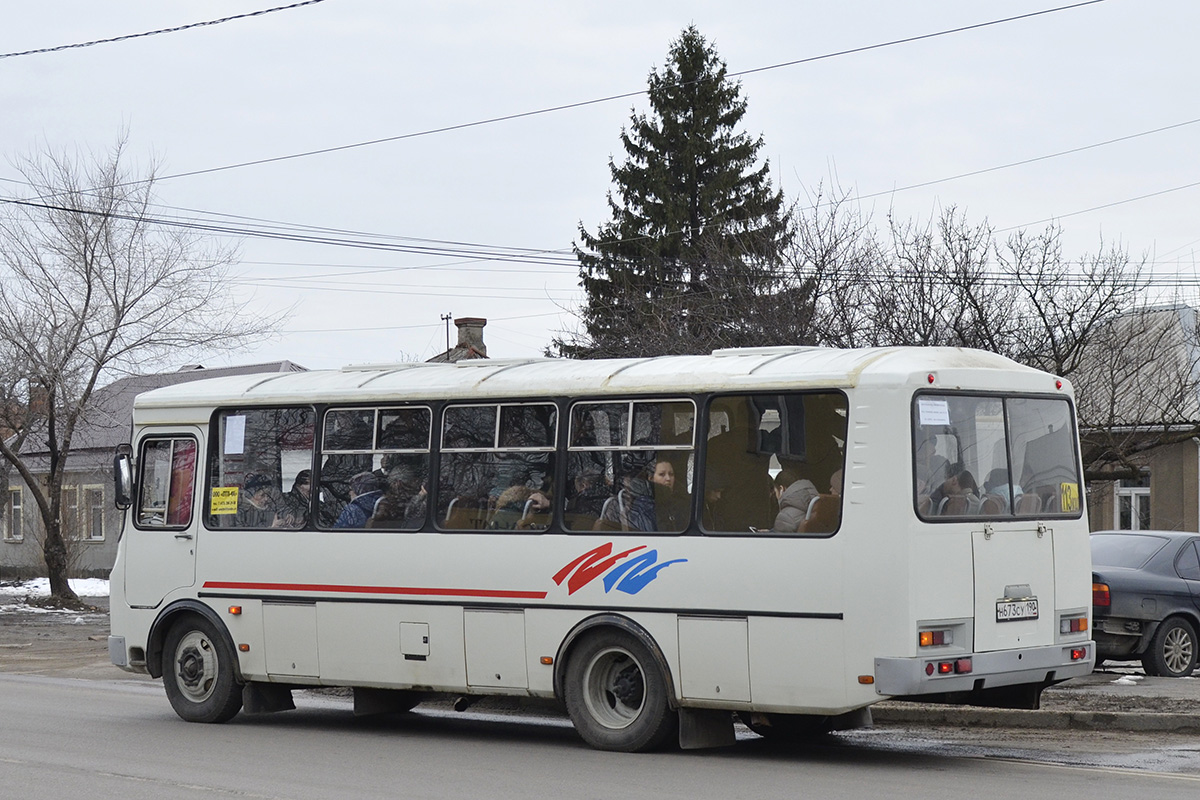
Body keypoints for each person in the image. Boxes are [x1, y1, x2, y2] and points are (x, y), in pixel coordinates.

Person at [771, 468, 820, 533]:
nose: (776, 496)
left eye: (776, 492)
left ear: (781, 489)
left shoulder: (785, 516)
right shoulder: (819, 505)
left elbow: (778, 541)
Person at [650, 458, 690, 531]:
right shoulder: (644, 505)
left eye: (671, 474)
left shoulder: (682, 503)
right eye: (662, 474)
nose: (668, 478)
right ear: (651, 478)